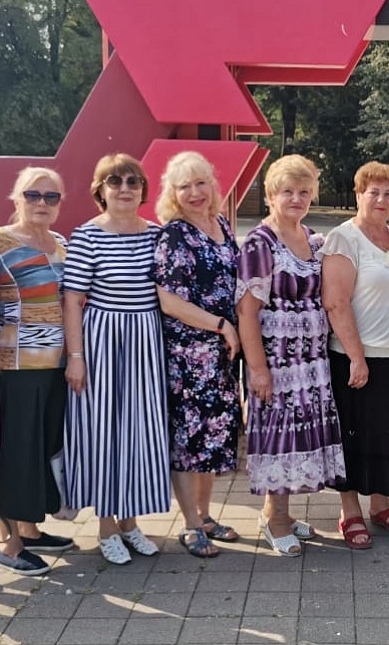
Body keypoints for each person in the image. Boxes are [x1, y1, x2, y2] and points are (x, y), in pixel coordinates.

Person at [237, 154, 346, 557]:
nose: (297, 198)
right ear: (271, 195)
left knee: (299, 435)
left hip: (310, 360)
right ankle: (277, 521)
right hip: (278, 360)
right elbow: (246, 311)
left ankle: (276, 512)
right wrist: (258, 369)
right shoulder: (260, 243)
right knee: (279, 437)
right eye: (288, 192)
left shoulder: (312, 238)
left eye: (304, 191)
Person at [62, 154, 168, 565]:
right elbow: (73, 300)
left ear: (143, 189)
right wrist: (76, 357)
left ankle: (130, 522)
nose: (125, 188)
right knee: (105, 431)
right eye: (115, 181)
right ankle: (106, 526)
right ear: (100, 190)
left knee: (138, 431)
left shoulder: (156, 235)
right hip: (103, 340)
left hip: (145, 341)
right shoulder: (87, 235)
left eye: (132, 181)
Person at [0, 167, 76, 577]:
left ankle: (30, 531)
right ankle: (9, 544)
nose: (41, 203)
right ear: (16, 198)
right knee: (15, 451)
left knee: (41, 449)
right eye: (33, 195)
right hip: (14, 367)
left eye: (51, 197)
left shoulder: (62, 244)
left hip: (57, 365)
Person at [321, 161, 389, 549]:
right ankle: (350, 511)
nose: (381, 199)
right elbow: (335, 303)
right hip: (357, 359)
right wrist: (357, 357)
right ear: (358, 195)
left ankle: (381, 504)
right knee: (355, 435)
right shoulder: (343, 239)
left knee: (387, 434)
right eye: (373, 192)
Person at [153, 151, 242, 559]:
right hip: (189, 356)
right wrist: (221, 325)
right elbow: (169, 301)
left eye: (200, 182)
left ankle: (206, 516)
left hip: (222, 356)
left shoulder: (220, 224)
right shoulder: (174, 235)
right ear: (173, 193)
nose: (194, 192)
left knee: (213, 437)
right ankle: (190, 524)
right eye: (184, 186)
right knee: (189, 440)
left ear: (213, 185)